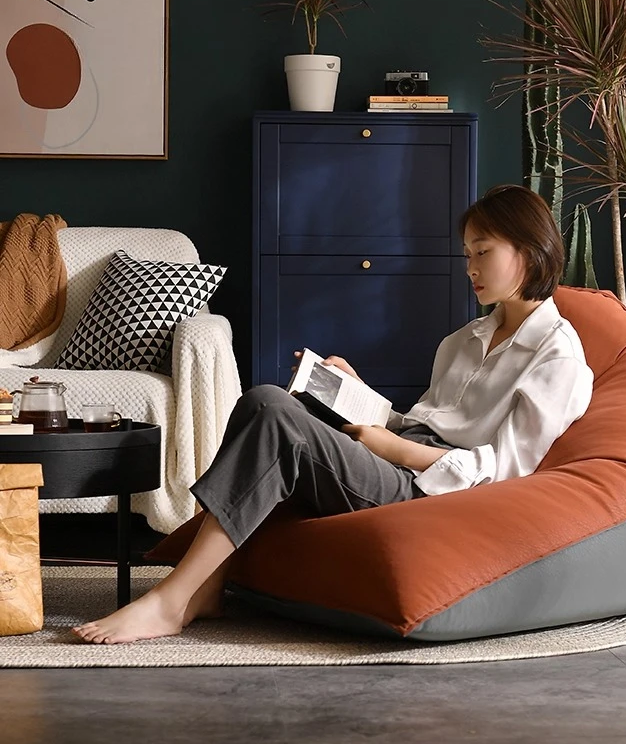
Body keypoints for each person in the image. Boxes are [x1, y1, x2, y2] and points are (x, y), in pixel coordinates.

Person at [72, 184, 594, 644]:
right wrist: (361, 395)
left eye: (483, 251)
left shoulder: (557, 357)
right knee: (265, 399)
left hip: (431, 491)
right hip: (399, 458)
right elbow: (422, 420)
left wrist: (394, 449)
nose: (470, 268)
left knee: (276, 418)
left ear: (529, 251)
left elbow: (506, 473)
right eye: (466, 254)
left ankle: (173, 600)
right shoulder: (466, 339)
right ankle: (207, 584)